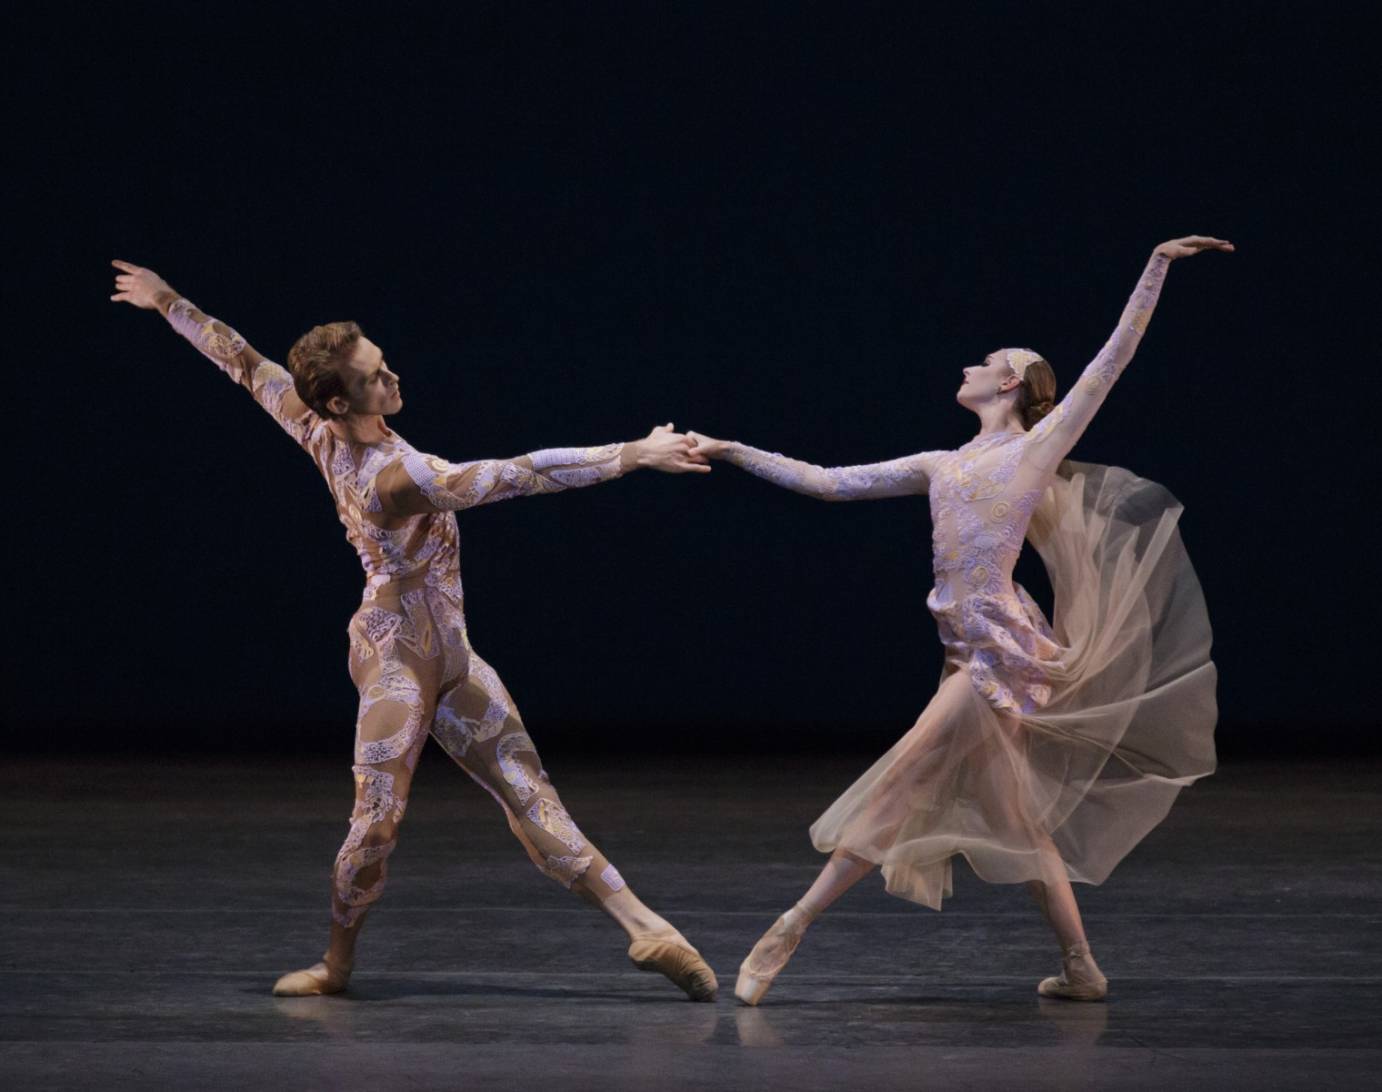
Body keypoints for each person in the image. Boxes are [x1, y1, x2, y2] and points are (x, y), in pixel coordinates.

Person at [110, 260, 718, 1000]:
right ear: (339, 400)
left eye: (382, 361)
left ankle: (647, 927)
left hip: (452, 655)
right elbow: (517, 474)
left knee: (533, 795)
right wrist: (635, 455)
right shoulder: (396, 479)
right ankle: (336, 964)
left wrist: (164, 298)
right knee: (376, 821)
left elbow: (238, 357)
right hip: (394, 654)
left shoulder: (311, 421)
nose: (391, 376)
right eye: (374, 376)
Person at [687, 235, 1232, 1005]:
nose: (967, 369)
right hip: (959, 652)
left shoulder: (1037, 449)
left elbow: (1110, 361)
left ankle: (789, 928)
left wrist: (1156, 265)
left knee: (900, 779)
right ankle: (1082, 967)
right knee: (1019, 822)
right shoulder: (940, 464)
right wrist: (733, 448)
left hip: (996, 656)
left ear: (1009, 381)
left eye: (983, 363)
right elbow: (826, 484)